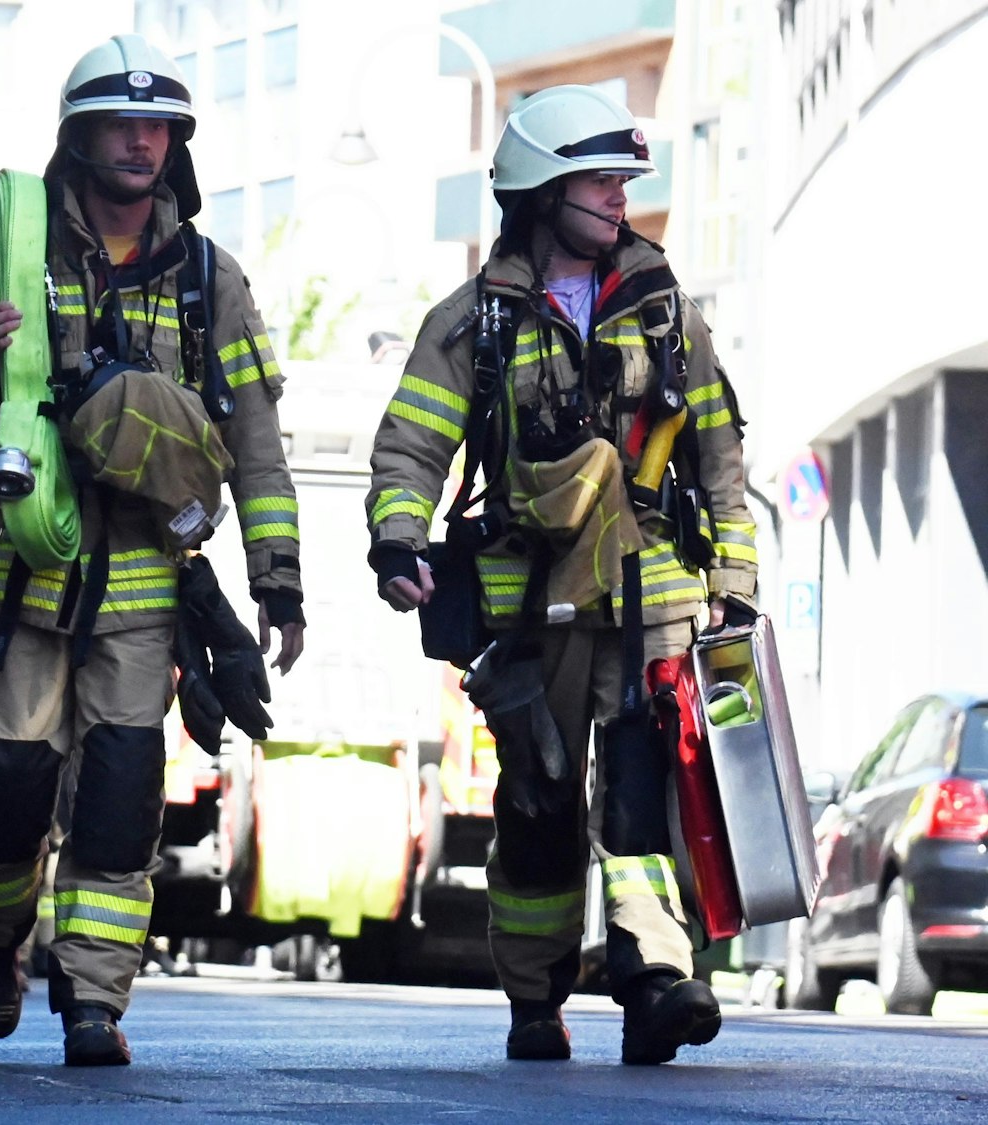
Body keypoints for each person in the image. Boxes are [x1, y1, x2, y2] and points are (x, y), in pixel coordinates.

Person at [0, 33, 303, 1066]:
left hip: (141, 595)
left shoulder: (208, 277)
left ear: (175, 145)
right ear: (76, 139)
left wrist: (278, 579)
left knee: (123, 798)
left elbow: (254, 437)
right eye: (117, 124)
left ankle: (93, 1000)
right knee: (3, 789)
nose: (138, 141)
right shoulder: (11, 240)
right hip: (22, 579)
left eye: (156, 126)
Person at [364, 85, 758, 1065]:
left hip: (652, 602)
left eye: (622, 179)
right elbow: (410, 443)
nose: (619, 198)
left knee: (643, 798)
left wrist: (735, 574)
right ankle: (534, 1000)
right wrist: (397, 536)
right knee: (538, 807)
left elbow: (717, 447)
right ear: (539, 193)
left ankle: (654, 984)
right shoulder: (473, 324)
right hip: (529, 611)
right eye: (597, 181)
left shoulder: (666, 311)